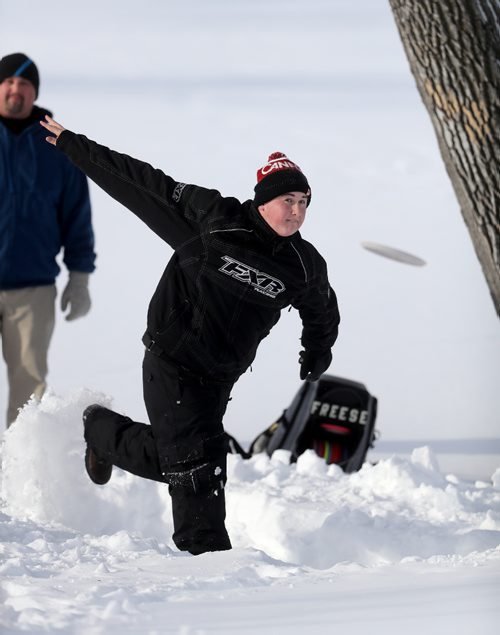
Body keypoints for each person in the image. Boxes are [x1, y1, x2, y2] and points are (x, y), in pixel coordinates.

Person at [41, 113, 340, 555]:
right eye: (287, 201)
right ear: (263, 202)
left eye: (303, 202)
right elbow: (142, 184)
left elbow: (322, 307)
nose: (296, 212)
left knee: (182, 459)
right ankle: (206, 562)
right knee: (196, 469)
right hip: (172, 360)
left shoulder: (302, 264)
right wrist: (74, 145)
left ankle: (101, 432)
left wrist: (318, 349)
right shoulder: (216, 222)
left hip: (220, 378)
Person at [0, 53, 96, 428]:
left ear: (34, 92)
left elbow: (77, 216)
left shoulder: (56, 145)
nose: (15, 90)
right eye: (8, 81)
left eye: (24, 84)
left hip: (33, 289)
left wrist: (80, 276)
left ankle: (15, 473)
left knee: (28, 388)